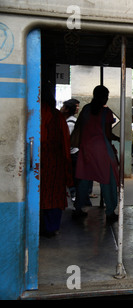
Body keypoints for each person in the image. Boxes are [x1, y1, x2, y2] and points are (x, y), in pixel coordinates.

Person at [74, 85, 119, 223]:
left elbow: (79, 128)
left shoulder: (86, 109)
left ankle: (78, 209)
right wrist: (117, 139)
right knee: (108, 181)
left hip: (86, 149)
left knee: (83, 180)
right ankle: (110, 212)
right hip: (102, 150)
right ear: (105, 96)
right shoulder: (106, 112)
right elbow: (107, 134)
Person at [40, 83, 74, 237]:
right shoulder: (56, 116)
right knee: (53, 194)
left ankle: (37, 225)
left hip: (36, 161)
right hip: (55, 161)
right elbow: (65, 141)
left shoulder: (32, 113)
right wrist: (67, 163)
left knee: (38, 193)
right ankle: (51, 227)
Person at [60, 98, 80, 203]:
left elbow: (69, 141)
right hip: (73, 153)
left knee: (72, 178)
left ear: (67, 109)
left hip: (73, 155)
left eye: (63, 107)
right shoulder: (68, 121)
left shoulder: (70, 123)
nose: (61, 109)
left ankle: (75, 198)